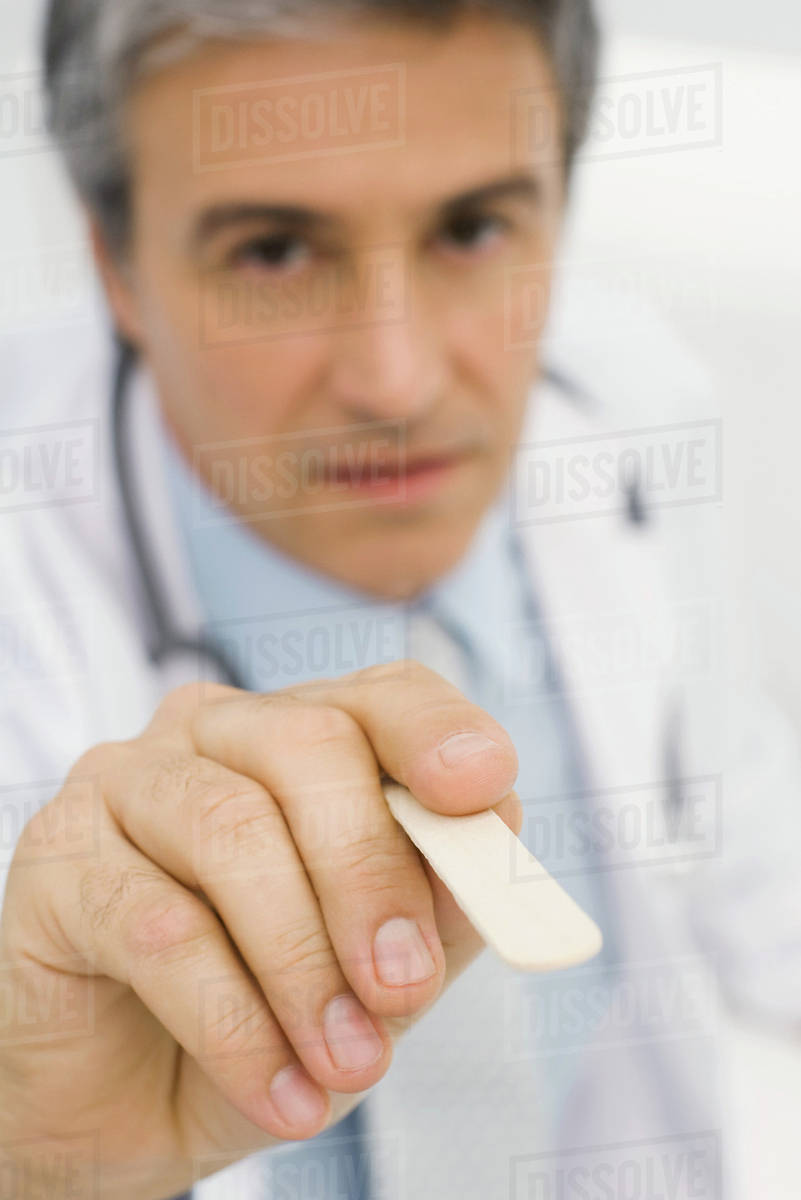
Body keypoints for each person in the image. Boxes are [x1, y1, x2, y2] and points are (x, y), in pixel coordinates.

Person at [1, 1, 800, 1197]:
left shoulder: (637, 417)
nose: (399, 378)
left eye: (474, 228)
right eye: (274, 252)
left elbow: (750, 854)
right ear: (116, 265)